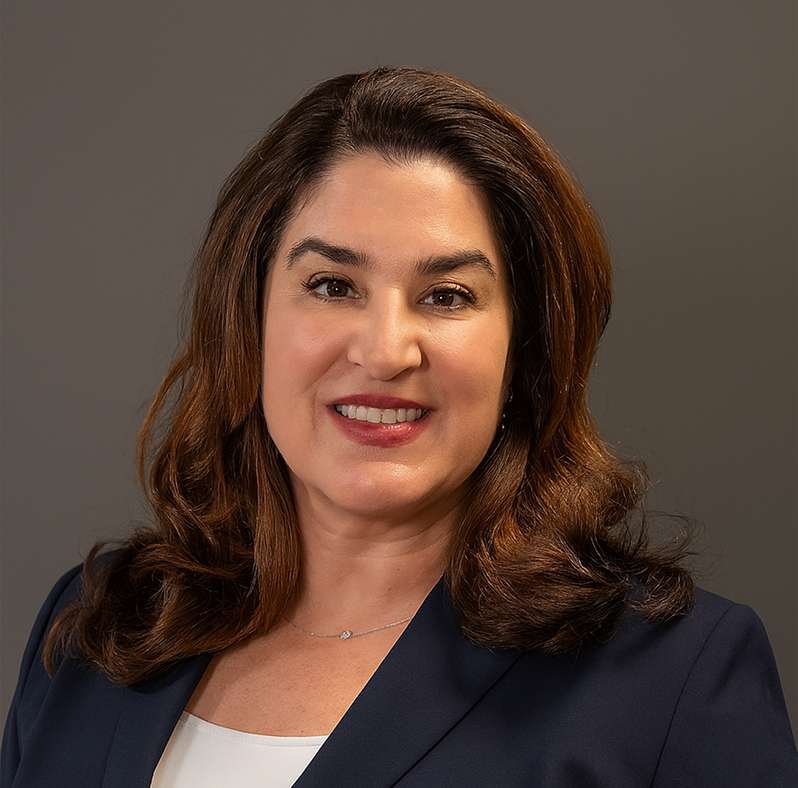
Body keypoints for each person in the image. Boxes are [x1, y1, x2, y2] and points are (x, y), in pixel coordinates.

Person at [2, 66, 796, 788]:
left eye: (446, 295)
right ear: (249, 321)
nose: (384, 351)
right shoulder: (100, 626)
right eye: (331, 284)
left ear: (524, 349)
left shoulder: (672, 678)